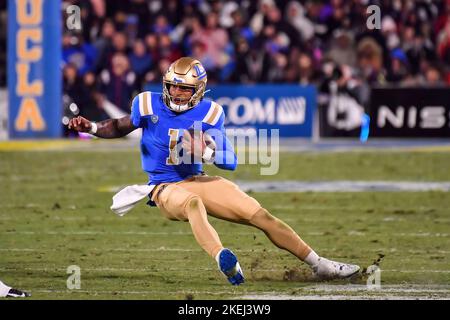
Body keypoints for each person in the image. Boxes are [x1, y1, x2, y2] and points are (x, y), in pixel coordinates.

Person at [68, 57, 360, 285]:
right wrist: (92, 127)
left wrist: (205, 152)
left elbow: (230, 160)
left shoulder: (210, 112)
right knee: (193, 204)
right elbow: (120, 125)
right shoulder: (146, 103)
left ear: (199, 90)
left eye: (185, 88)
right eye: (173, 86)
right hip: (162, 187)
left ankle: (318, 264)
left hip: (196, 179)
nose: (178, 93)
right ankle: (223, 257)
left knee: (261, 216)